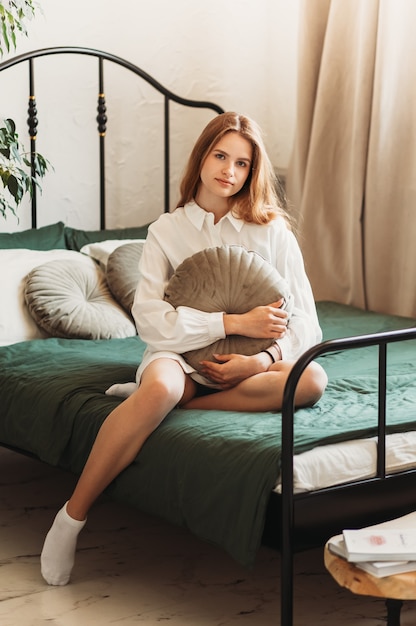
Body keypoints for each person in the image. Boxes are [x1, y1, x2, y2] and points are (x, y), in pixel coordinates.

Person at [40, 111, 328, 586]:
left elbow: (305, 325)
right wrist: (230, 321)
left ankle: (190, 400)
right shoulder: (166, 231)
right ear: (201, 156)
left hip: (247, 361)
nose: (229, 172)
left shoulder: (272, 231)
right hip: (177, 352)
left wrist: (257, 360)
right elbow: (150, 322)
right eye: (220, 156)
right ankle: (71, 517)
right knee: (158, 391)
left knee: (312, 379)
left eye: (242, 164)